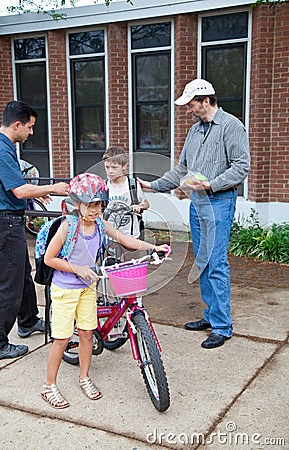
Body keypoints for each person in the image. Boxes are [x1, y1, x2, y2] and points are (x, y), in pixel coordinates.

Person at [138, 78, 250, 349]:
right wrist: (152, 186)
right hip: (197, 203)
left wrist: (210, 184)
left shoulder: (232, 127)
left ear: (206, 100)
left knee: (216, 263)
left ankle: (222, 327)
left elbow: (241, 166)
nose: (188, 110)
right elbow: (181, 170)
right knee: (202, 261)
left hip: (219, 201)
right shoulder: (194, 131)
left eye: (191, 105)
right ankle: (211, 316)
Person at [41, 173, 169, 409]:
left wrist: (154, 247)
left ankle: (84, 378)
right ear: (77, 204)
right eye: (90, 205)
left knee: (88, 333)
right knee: (61, 339)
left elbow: (125, 239)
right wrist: (77, 268)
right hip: (65, 290)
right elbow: (49, 259)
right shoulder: (68, 227)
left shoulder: (100, 224)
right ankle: (49, 386)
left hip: (88, 288)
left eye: (99, 204)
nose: (95, 209)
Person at [0, 100, 69, 362]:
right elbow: (19, 189)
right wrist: (52, 188)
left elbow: (11, 187)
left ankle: (27, 320)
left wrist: (33, 197)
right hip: (4, 223)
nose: (31, 133)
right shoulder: (0, 149)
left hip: (7, 219)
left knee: (22, 275)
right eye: (30, 127)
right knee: (8, 284)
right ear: (17, 124)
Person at [102, 146, 149, 261]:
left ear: (124, 166)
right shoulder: (104, 186)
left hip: (131, 235)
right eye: (107, 167)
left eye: (114, 167)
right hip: (111, 237)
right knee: (112, 268)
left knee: (131, 267)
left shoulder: (132, 184)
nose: (110, 171)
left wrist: (139, 206)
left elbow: (146, 204)